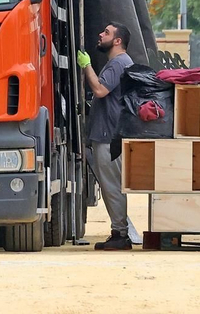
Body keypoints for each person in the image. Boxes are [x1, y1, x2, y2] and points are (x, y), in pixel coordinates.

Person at [78, 23, 135, 251]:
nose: (101, 35)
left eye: (107, 33)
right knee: (112, 184)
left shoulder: (118, 63)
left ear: (117, 41)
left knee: (112, 185)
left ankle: (120, 234)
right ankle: (119, 231)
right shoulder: (121, 63)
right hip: (109, 132)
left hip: (108, 134)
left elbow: (100, 90)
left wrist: (87, 66)